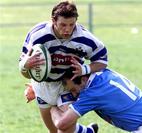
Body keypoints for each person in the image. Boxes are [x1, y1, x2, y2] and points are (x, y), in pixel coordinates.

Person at [19, 1, 107, 133]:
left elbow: (102, 61)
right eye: (63, 25)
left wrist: (84, 70)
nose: (67, 29)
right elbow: (23, 68)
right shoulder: (38, 35)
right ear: (53, 21)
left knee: (64, 127)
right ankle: (87, 131)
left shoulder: (85, 38)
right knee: (53, 130)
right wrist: (26, 66)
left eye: (72, 24)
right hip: (43, 86)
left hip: (67, 84)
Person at [50, 68, 142, 133]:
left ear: (83, 79)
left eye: (73, 89)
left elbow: (62, 124)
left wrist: (52, 107)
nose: (74, 94)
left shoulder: (92, 93)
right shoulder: (103, 72)